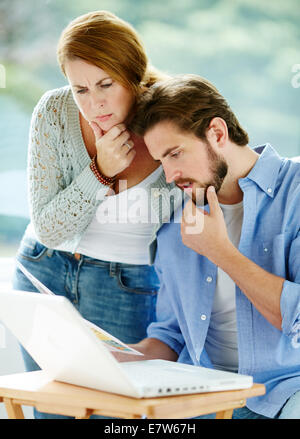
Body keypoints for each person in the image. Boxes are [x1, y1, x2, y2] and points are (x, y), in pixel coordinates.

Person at [12, 11, 183, 419]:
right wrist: (98, 173)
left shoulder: (173, 116)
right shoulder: (54, 113)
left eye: (106, 84)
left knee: (117, 415)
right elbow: (50, 229)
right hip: (43, 274)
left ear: (134, 74)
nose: (94, 103)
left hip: (125, 287)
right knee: (51, 411)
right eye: (81, 89)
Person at [121, 74, 300, 419]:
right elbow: (172, 336)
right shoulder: (175, 225)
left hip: (285, 392)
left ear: (217, 133)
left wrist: (220, 252)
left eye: (175, 153)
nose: (170, 175)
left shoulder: (294, 193)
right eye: (161, 161)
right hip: (203, 394)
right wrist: (108, 357)